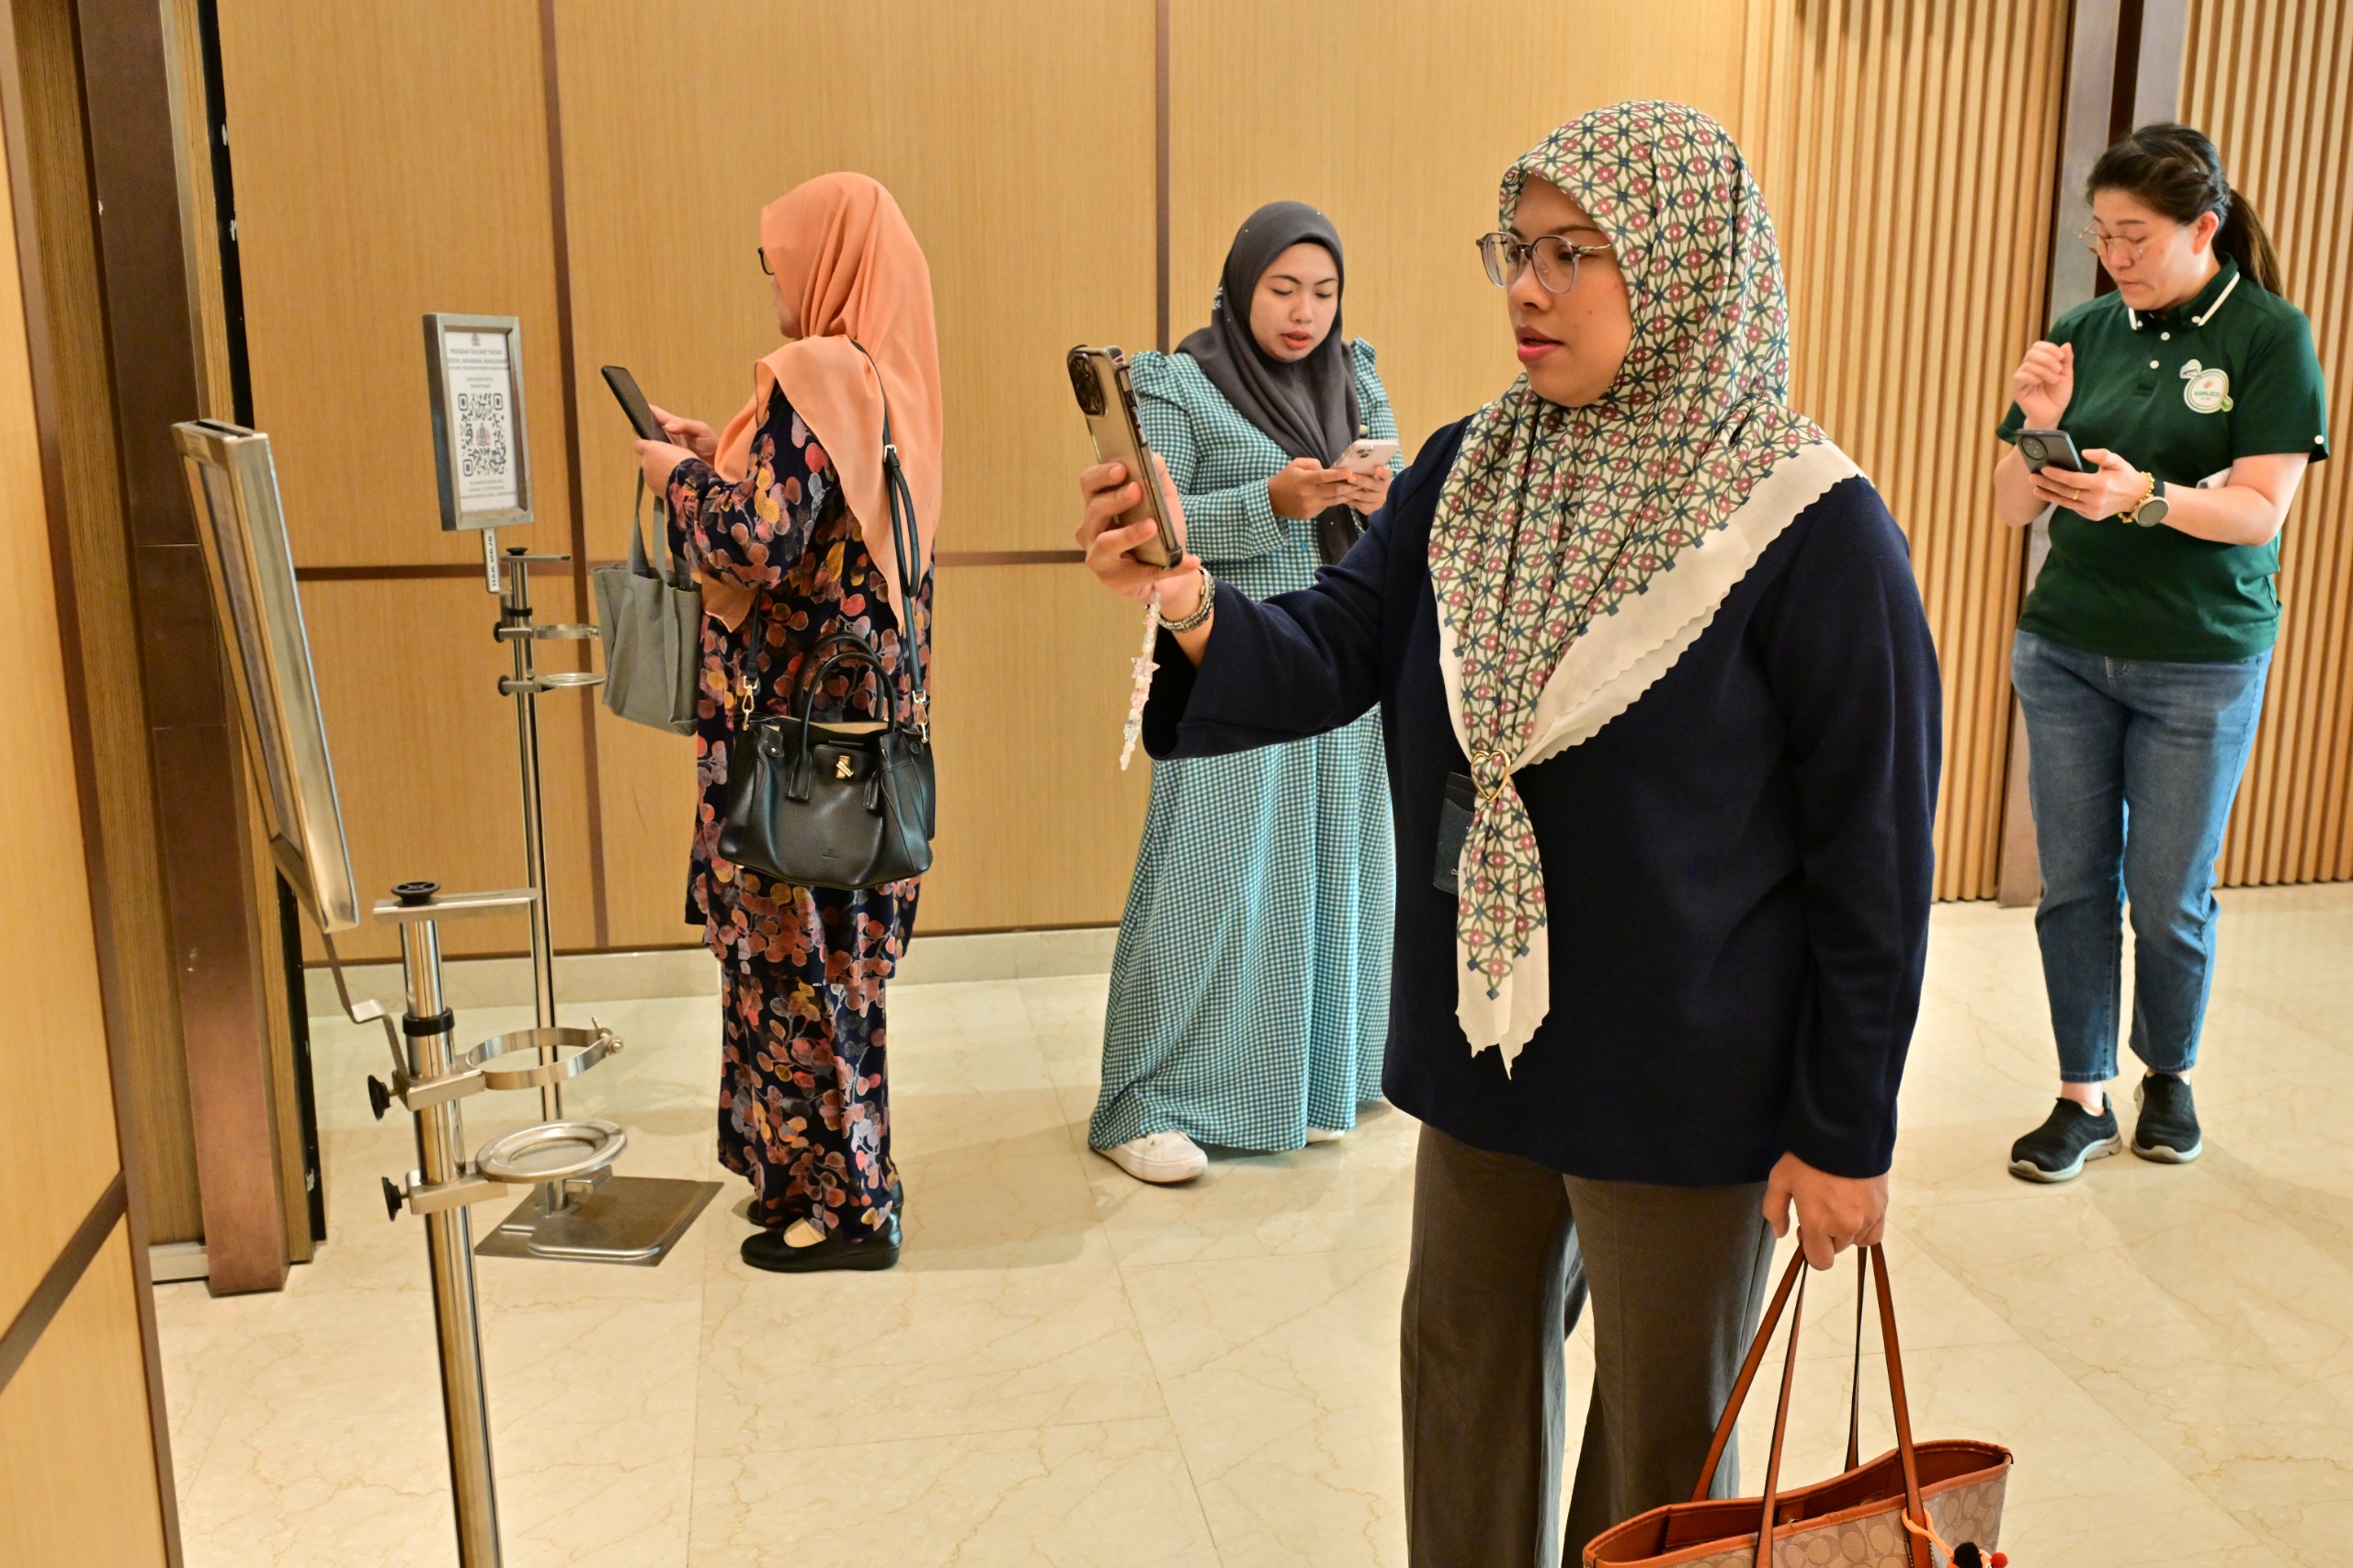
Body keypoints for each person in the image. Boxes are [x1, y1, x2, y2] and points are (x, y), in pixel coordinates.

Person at [1074, 101, 1939, 1565]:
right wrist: (1190, 597)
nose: (1527, 289)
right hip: (1492, 1030)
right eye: (1514, 250)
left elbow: (1875, 850)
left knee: (1664, 1438)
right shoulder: (1475, 468)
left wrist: (1844, 1125)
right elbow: (1337, 645)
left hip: (1687, 1068)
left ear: (1680, 264)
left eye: (1570, 253)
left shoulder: (1811, 522)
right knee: (1460, 1371)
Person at [1995, 124, 2327, 1184]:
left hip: (2201, 656)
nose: (2113, 257)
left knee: (2169, 888)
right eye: (2099, 235)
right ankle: (2080, 1094)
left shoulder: (2268, 335)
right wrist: (2037, 421)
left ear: (2202, 227)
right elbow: (2010, 507)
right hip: (2065, 646)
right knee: (2072, 882)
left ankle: (2168, 1074)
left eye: (2133, 236)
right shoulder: (2084, 329)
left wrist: (2141, 496)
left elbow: (2259, 510)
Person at [631, 172, 942, 1274]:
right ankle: (809, 1179)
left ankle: (851, 1211)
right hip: (851, 742)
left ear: (826, 260)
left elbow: (758, 542)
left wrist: (679, 481)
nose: (773, 285)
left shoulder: (816, 374)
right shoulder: (881, 380)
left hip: (798, 747)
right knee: (823, 971)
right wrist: (713, 454)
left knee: (805, 971)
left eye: (781, 262)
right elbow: (810, 521)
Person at [1090, 201, 1404, 1185]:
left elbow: (1396, 492)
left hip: (1342, 661)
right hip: (1225, 655)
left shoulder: (1355, 374)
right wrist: (1274, 502)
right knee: (1208, 880)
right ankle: (1143, 1101)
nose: (1304, 312)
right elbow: (1156, 527)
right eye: (1283, 289)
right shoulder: (1180, 383)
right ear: (1240, 286)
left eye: (1323, 292)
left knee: (1332, 870)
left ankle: (1305, 1085)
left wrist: (1379, 495)